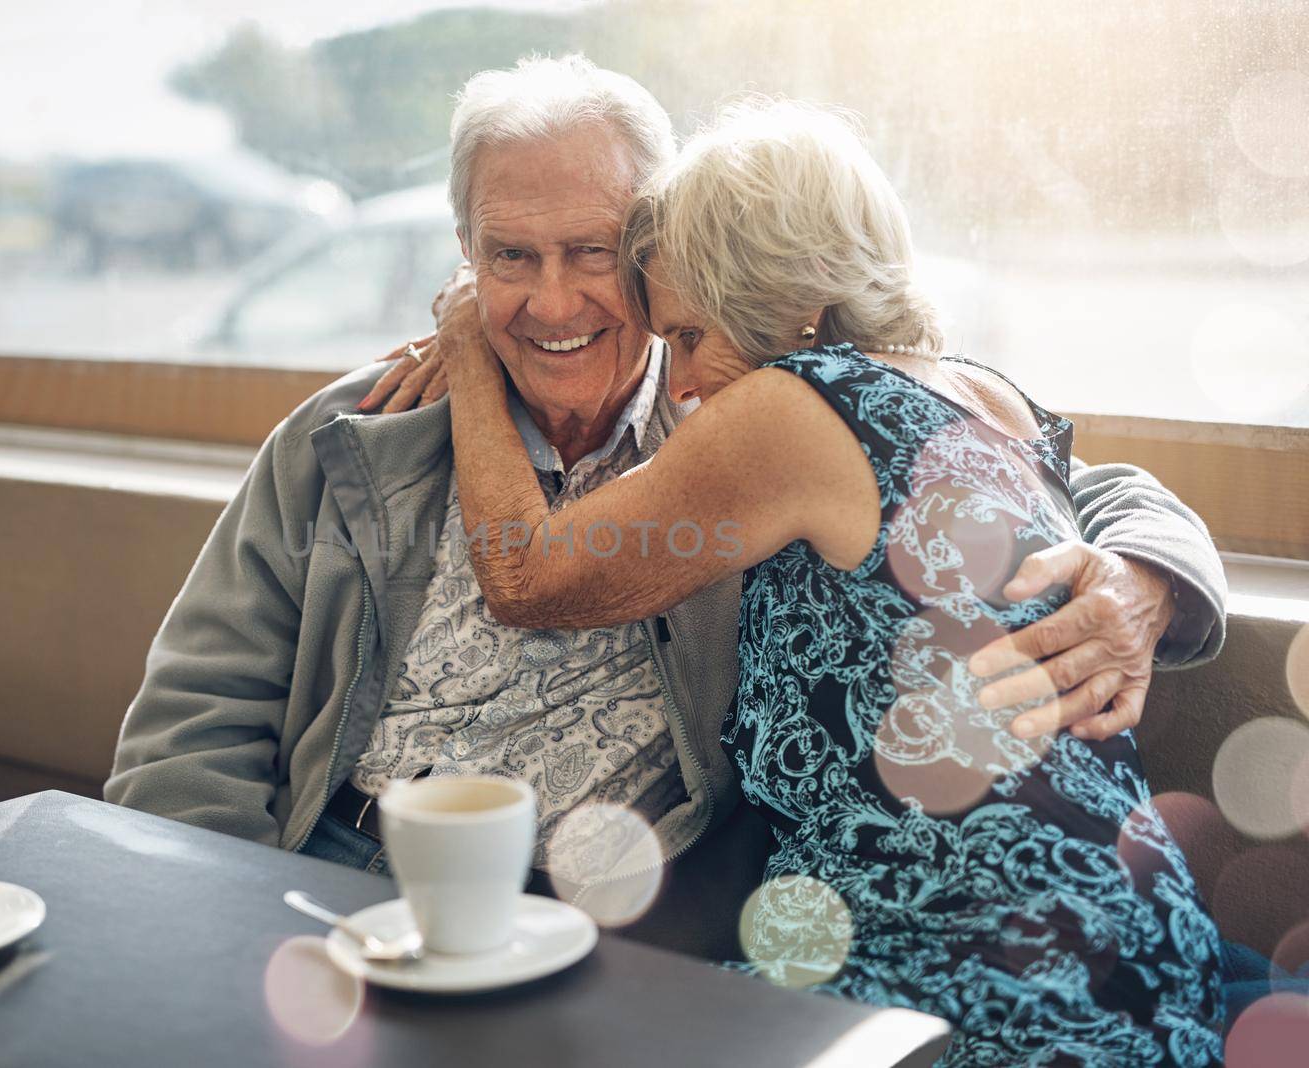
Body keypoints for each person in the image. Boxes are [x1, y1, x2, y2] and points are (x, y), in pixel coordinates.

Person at [105, 56, 1226, 960]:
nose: (550, 300)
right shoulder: (352, 437)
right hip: (337, 873)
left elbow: (1083, 484)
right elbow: (193, 721)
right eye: (509, 256)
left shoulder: (744, 420)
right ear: (465, 258)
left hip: (626, 917)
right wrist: (222, 937)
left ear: (655, 254)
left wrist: (1141, 577)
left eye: (590, 253)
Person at [422, 97, 1222, 1063]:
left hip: (969, 979)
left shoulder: (791, 408)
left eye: (689, 334)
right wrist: (1150, 571)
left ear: (789, 306)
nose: (677, 384)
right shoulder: (984, 394)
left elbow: (527, 574)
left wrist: (469, 341)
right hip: (1137, 949)